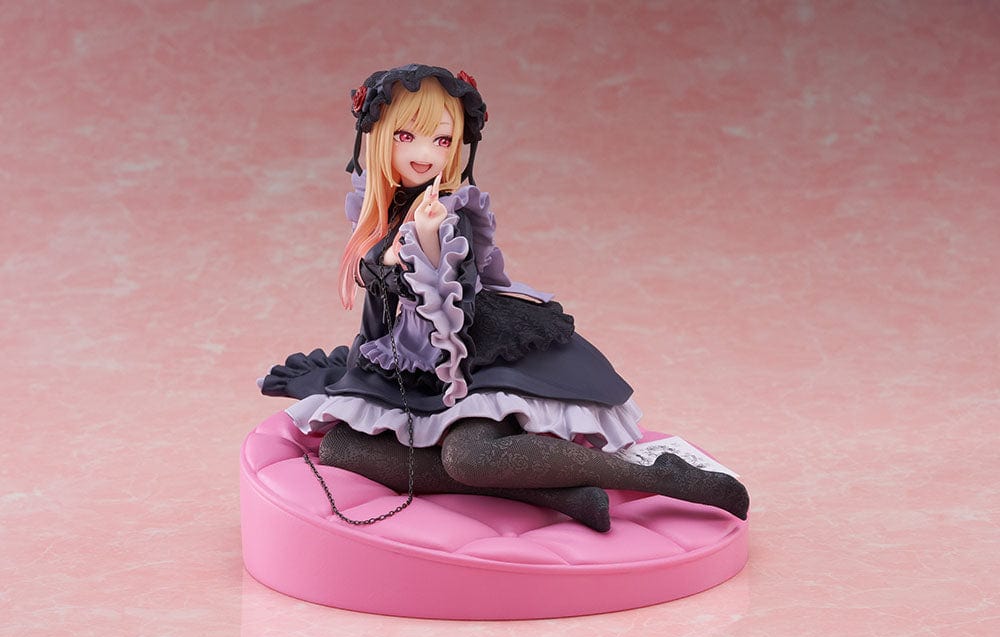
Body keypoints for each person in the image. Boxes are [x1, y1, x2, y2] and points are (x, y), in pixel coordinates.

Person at [260, 64, 748, 531]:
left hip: (470, 355)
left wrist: (427, 241)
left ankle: (659, 476)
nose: (424, 153)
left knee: (468, 456)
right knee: (342, 448)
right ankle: (556, 495)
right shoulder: (379, 208)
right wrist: (361, 371)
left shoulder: (450, 216)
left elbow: (450, 304)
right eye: (407, 136)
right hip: (411, 365)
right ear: (379, 137)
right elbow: (379, 311)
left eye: (442, 140)